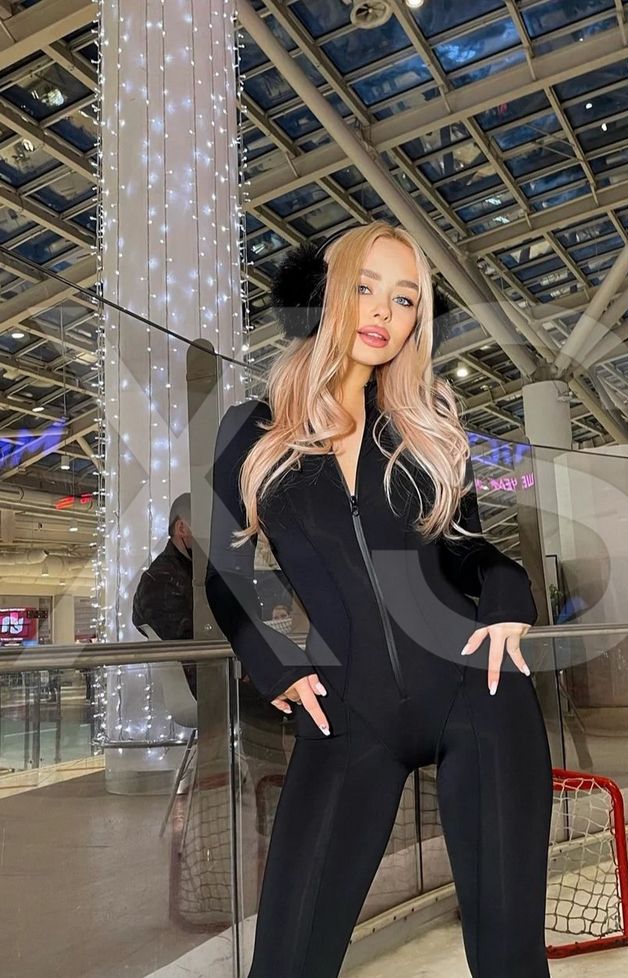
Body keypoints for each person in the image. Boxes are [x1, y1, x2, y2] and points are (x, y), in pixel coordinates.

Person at [205, 221, 553, 978]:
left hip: (477, 692)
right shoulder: (253, 431)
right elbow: (223, 573)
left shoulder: (425, 425)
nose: (382, 313)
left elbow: (472, 550)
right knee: (288, 961)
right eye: (365, 287)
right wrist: (274, 659)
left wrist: (509, 595)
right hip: (346, 714)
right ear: (326, 292)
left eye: (404, 299)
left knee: (510, 959)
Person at [131, 492, 196, 697]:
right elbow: (186, 642)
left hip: (213, 676)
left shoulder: (185, 572)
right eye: (204, 526)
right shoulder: (161, 579)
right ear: (182, 528)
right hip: (204, 683)